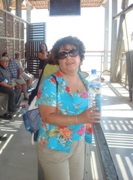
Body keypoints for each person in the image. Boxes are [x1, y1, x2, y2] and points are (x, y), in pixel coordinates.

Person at [36, 36, 101, 180]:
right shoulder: (51, 83)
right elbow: (47, 116)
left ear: (80, 56)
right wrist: (81, 118)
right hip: (54, 145)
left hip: (79, 140)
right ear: (57, 59)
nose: (69, 57)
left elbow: (92, 104)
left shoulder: (85, 80)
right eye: (63, 54)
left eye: (73, 52)